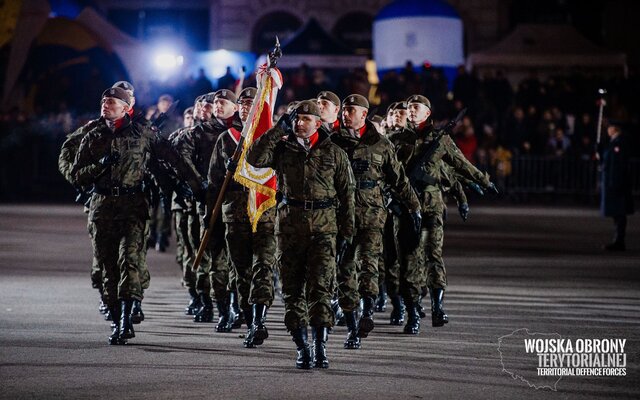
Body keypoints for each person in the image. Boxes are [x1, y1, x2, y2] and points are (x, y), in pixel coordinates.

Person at [71, 87, 202, 345]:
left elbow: (172, 159)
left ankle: (125, 321)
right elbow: (76, 175)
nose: (105, 105)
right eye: (104, 101)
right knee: (108, 266)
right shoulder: (93, 135)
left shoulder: (143, 133)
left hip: (133, 205)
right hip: (103, 206)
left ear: (127, 107)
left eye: (112, 102)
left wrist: (196, 187)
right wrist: (100, 165)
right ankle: (116, 313)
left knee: (130, 261)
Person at [246, 100, 355, 369]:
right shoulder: (283, 149)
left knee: (320, 289)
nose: (299, 123)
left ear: (319, 123)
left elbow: (347, 195)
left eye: (306, 119)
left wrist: (347, 233)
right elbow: (253, 159)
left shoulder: (334, 152)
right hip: (290, 229)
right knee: (292, 290)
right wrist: (275, 129)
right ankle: (302, 347)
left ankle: (320, 347)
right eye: (296, 119)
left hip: (324, 229)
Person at [388, 94, 496, 335]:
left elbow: (461, 164)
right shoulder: (395, 139)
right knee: (407, 261)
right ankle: (413, 312)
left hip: (432, 205)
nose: (412, 111)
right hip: (406, 206)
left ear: (428, 113)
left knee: (433, 255)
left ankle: (438, 306)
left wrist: (484, 180)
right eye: (409, 108)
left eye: (417, 108)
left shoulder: (440, 139)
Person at [331, 94, 421, 349]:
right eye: (344, 110)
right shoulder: (334, 143)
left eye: (351, 110)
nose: (345, 114)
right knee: (344, 270)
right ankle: (351, 325)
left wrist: (414, 207)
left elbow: (399, 179)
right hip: (340, 217)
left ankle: (367, 312)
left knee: (368, 264)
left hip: (372, 214)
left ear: (364, 114)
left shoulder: (380, 144)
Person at [206, 87, 277, 347]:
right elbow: (213, 183)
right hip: (234, 215)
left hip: (265, 215)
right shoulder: (227, 139)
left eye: (252, 103)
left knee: (263, 268)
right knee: (242, 272)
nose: (247, 107)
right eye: (244, 103)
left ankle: (259, 321)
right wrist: (209, 215)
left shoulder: (272, 138)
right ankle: (249, 320)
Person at [178, 89, 239, 331]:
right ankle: (219, 306)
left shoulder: (241, 132)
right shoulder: (198, 132)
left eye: (224, 102)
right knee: (214, 258)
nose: (218, 106)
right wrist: (197, 185)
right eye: (216, 102)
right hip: (208, 201)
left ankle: (237, 304)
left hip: (237, 203)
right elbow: (180, 159)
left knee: (238, 260)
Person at [600, 121, 634, 251]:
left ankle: (619, 240)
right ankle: (618, 239)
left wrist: (615, 183)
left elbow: (617, 165)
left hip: (617, 183)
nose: (608, 129)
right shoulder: (613, 143)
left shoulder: (619, 143)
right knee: (617, 213)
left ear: (615, 129)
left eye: (609, 127)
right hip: (614, 182)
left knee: (619, 212)